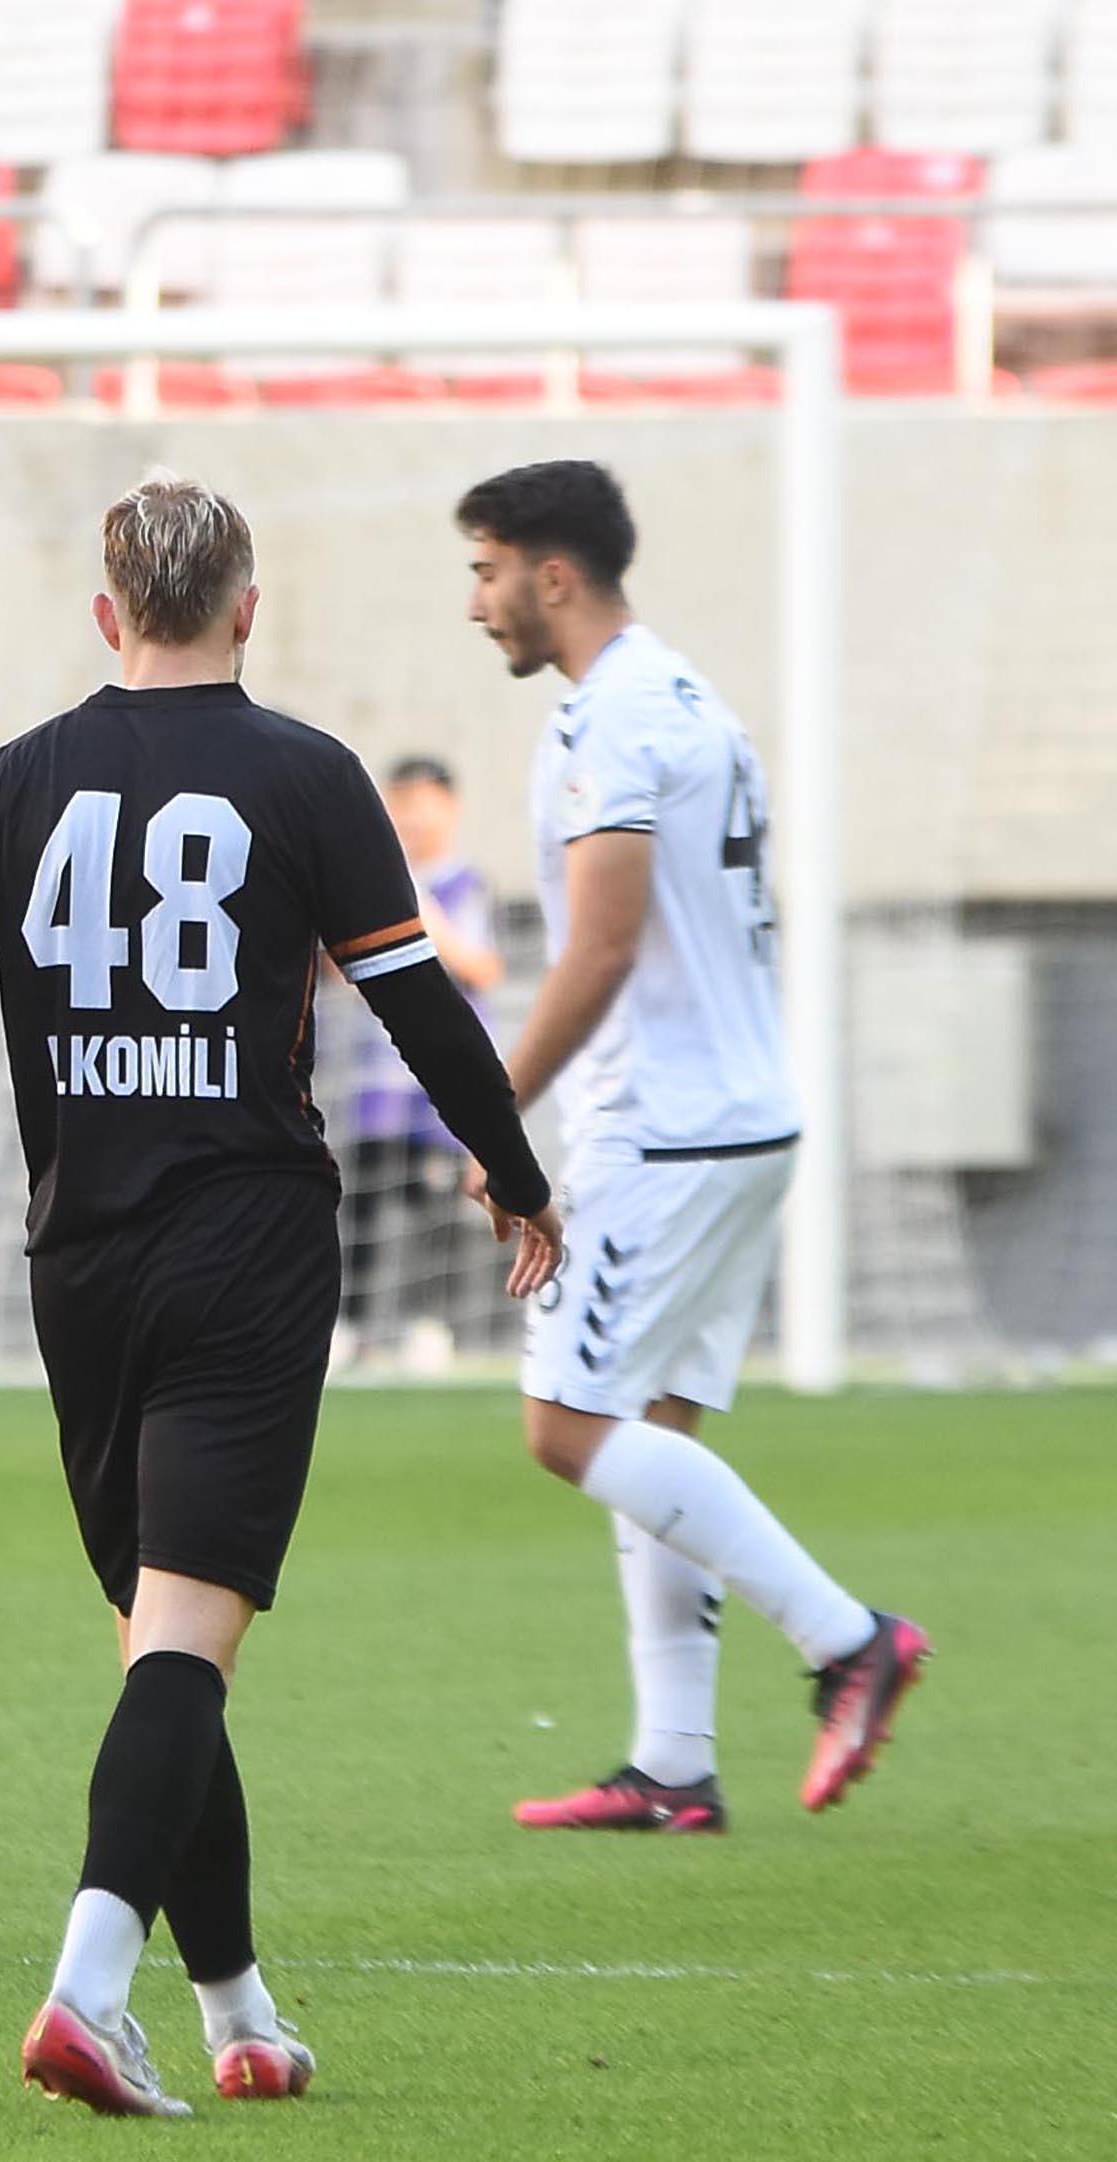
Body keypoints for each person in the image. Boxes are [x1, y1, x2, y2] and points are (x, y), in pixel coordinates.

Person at [0, 475, 563, 2115]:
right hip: (248, 1249)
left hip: (82, 1261)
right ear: (248, 609)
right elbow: (420, 1006)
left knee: (164, 1642)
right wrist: (517, 1172)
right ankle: (85, 1991)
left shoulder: (14, 780)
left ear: (107, 612)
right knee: (185, 1644)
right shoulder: (308, 775)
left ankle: (237, 2006)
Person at [456, 460, 929, 1835]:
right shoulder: (690, 697)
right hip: (742, 1114)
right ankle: (673, 1764)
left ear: (552, 574)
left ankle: (850, 1639)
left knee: (567, 1424)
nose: (477, 604)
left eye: (487, 572)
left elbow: (602, 944)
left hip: (663, 1130)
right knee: (649, 1421)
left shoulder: (614, 719)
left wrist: (495, 1111)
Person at [336, 755, 505, 1365]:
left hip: (438, 1084)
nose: (408, 816)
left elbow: (483, 968)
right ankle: (350, 1327)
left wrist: (425, 921)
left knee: (438, 1206)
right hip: (378, 1077)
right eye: (398, 802)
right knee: (362, 1203)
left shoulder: (465, 886)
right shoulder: (373, 880)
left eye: (420, 801)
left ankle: (429, 1325)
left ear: (449, 808)